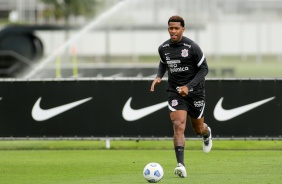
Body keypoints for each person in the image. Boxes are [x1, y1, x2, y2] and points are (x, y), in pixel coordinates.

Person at [150, 15, 212, 178]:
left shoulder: (192, 47)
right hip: (175, 92)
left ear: (183, 29)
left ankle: (207, 134)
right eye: (171, 28)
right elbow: (164, 62)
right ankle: (180, 165)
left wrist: (189, 86)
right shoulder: (163, 48)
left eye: (176, 28)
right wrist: (158, 76)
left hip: (195, 92)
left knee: (198, 129)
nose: (173, 31)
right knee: (178, 125)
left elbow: (204, 69)